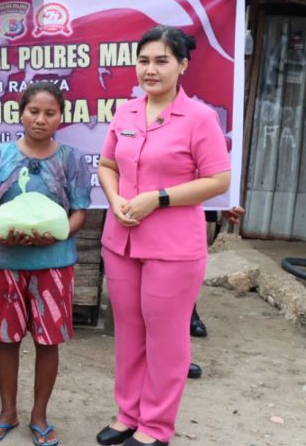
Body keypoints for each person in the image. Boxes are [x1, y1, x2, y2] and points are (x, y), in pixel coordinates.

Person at [96, 27, 232, 446]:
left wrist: (159, 197)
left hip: (172, 247)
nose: (150, 70)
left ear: (182, 65)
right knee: (130, 332)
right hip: (121, 239)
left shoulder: (199, 117)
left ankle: (155, 426)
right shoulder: (127, 112)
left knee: (166, 338)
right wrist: (115, 197)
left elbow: (219, 179)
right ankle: (128, 414)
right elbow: (107, 164)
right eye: (144, 61)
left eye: (161, 61)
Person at [0, 82, 92, 445]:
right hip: (4, 261)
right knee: (7, 339)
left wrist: (56, 235)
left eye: (50, 113)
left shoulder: (72, 159)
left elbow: (80, 212)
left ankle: (39, 415)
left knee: (48, 341)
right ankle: (7, 412)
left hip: (53, 263)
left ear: (61, 117)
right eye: (34, 111)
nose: (40, 120)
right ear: (21, 112)